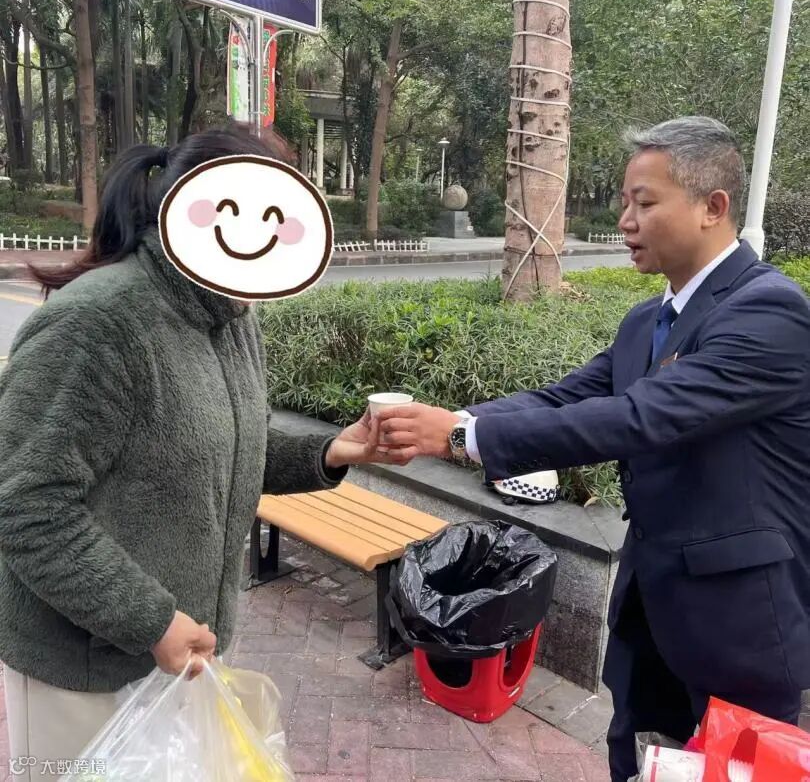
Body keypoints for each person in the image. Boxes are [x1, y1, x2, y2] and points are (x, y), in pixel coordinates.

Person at [371, 116, 810, 781]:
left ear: (713, 207)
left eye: (645, 202)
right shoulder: (646, 321)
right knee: (633, 756)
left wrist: (462, 438)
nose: (625, 220)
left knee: (735, 771)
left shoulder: (770, 313)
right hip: (649, 607)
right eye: (625, 202)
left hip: (739, 625)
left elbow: (639, 418)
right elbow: (564, 398)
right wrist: (443, 423)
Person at [0, 127, 398, 779]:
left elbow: (229, 451)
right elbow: (26, 505)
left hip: (176, 653)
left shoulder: (231, 317)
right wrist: (152, 622)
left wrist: (332, 450)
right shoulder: (97, 323)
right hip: (81, 670)